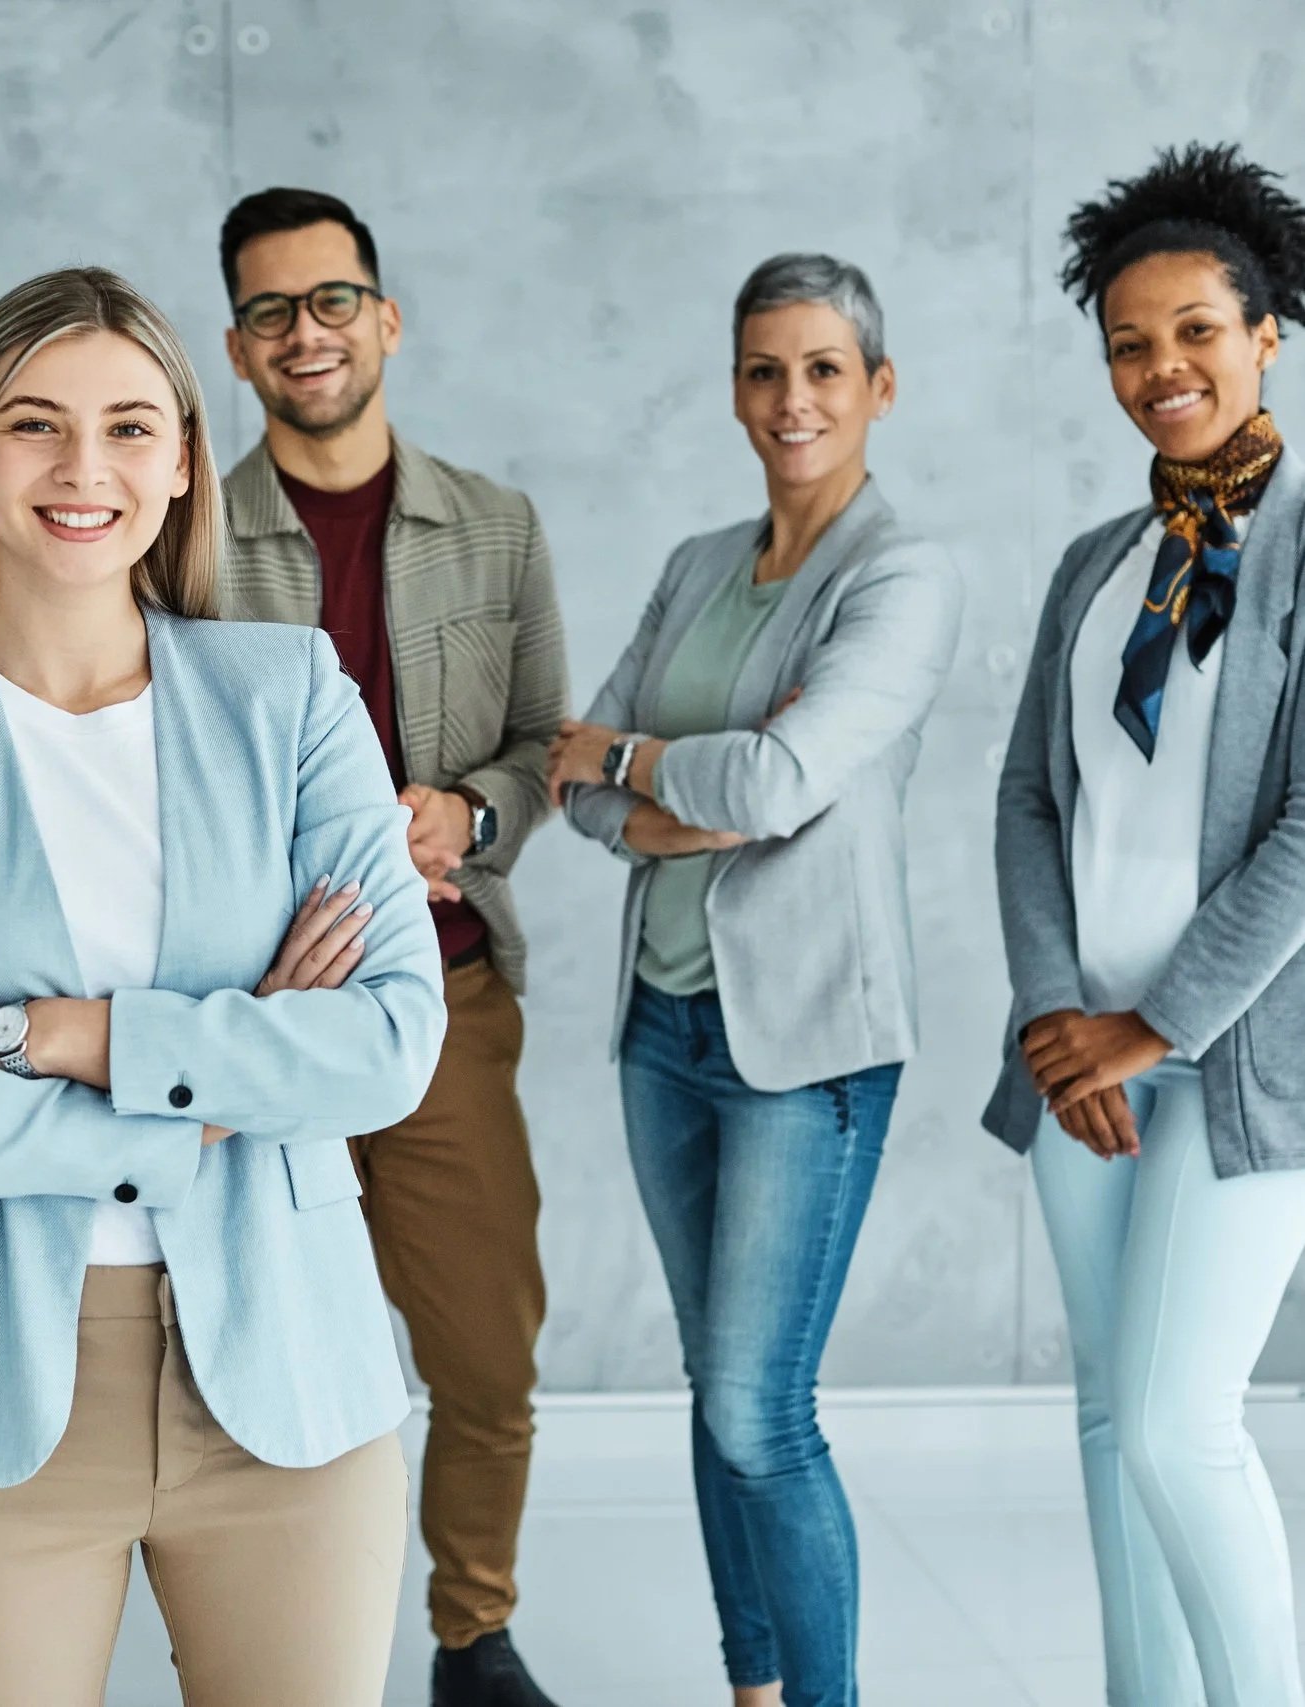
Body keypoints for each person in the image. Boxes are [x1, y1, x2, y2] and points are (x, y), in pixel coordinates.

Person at [0, 266, 447, 1706]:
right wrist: (225, 1077)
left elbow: (386, 1046)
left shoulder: (293, 693)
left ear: (187, 457)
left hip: (290, 1384)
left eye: (133, 427)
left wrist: (53, 1036)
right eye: (36, 426)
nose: (86, 470)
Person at [551, 254, 962, 1707]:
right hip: (663, 1029)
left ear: (878, 388)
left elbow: (782, 782)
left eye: (824, 370)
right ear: (736, 388)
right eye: (764, 371)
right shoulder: (697, 566)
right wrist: (659, 784)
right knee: (710, 1394)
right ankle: (755, 1688)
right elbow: (573, 777)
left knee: (757, 1409)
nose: (793, 400)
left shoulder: (900, 576)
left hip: (806, 1048)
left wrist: (644, 764)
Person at [211, 186, 568, 1707]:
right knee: (253, 1360)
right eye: (275, 311)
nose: (310, 334)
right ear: (236, 347)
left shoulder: (494, 528)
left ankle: (470, 1638)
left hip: (442, 1004)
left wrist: (470, 820)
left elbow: (545, 747)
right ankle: (269, 1648)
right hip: (250, 1019)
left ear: (386, 318)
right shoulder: (182, 536)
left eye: (334, 300)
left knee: (485, 1358)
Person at [985, 143, 1305, 1707]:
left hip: (1240, 1065)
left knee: (1184, 1420)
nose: (1161, 366)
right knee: (1112, 1419)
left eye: (1195, 331)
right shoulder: (1096, 569)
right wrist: (1063, 1019)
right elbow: (1028, 803)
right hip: (1080, 1062)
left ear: (1267, 335)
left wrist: (1155, 1023)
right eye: (1129, 339)